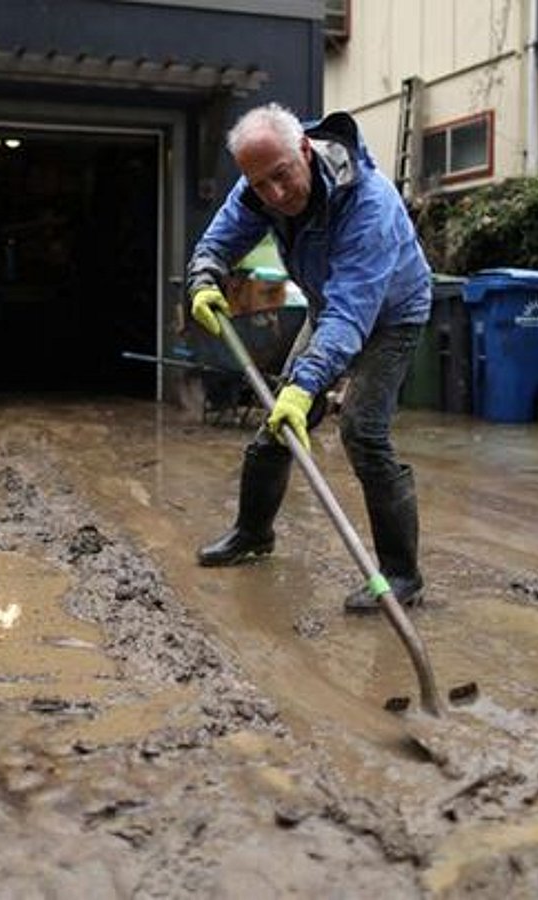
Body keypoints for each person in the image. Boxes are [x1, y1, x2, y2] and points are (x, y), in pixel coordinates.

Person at [186, 102, 432, 614]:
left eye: (281, 177)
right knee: (279, 422)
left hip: (390, 315)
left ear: (304, 149)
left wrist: (308, 384)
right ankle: (253, 535)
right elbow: (223, 235)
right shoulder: (260, 181)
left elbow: (352, 312)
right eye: (260, 185)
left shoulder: (370, 204)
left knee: (362, 430)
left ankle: (402, 575)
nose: (274, 194)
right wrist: (205, 276)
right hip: (329, 308)